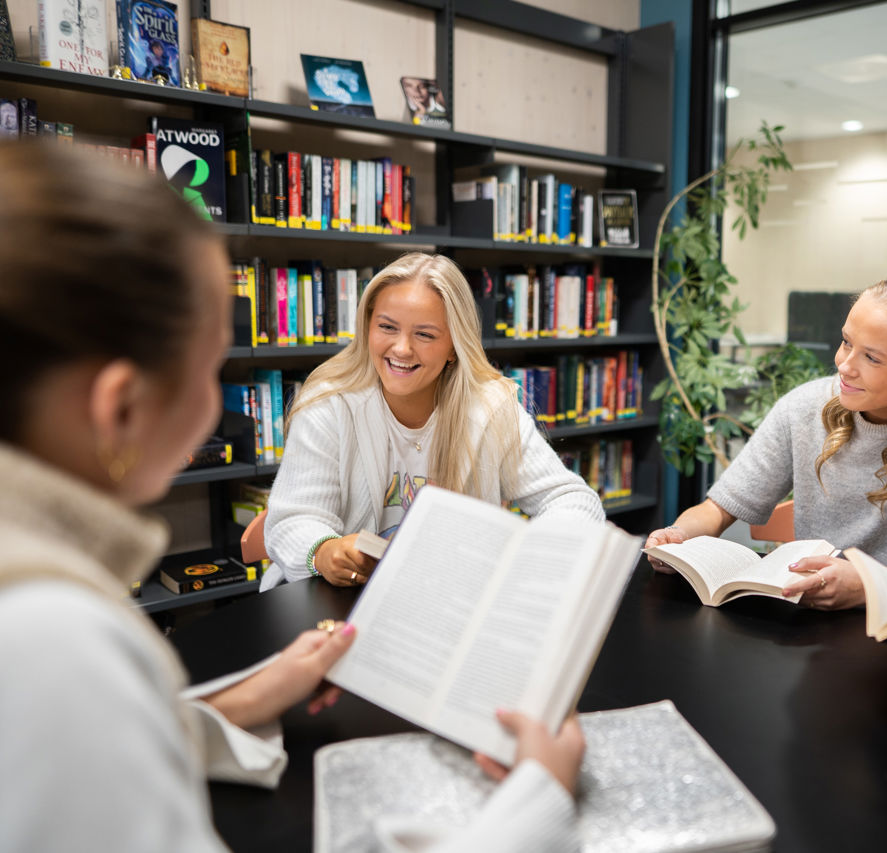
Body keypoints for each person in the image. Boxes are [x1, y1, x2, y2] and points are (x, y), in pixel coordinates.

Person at [0, 143, 584, 851]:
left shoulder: (56, 622)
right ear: (120, 406)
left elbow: (104, 750)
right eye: (211, 367)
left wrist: (236, 703)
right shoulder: (59, 640)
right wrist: (543, 799)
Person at [646, 275, 887, 609]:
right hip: (816, 620)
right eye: (846, 342)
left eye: (872, 357)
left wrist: (869, 585)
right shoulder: (804, 406)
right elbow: (718, 509)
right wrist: (678, 538)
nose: (845, 365)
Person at [263, 252, 603, 589]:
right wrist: (323, 550)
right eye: (387, 327)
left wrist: (537, 552)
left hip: (444, 600)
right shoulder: (328, 405)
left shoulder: (491, 407)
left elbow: (572, 500)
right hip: (340, 603)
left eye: (424, 335)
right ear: (367, 326)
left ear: (455, 345)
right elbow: (293, 520)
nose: (401, 348)